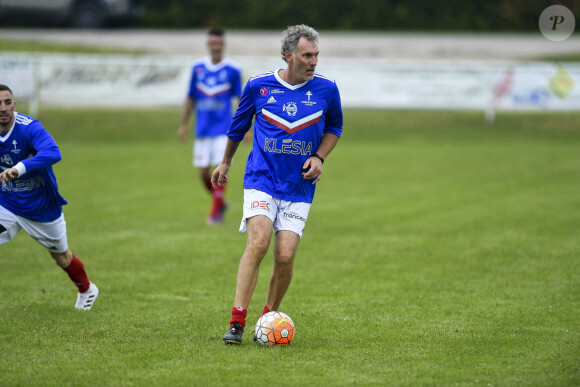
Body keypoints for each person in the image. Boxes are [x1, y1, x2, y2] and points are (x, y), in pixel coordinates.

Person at [211, 25, 343, 344]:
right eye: (306, 55)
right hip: (262, 179)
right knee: (258, 243)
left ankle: (266, 319)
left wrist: (320, 158)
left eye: (316, 55)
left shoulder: (327, 89)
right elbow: (237, 126)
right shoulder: (259, 86)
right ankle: (237, 322)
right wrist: (226, 161)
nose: (313, 62)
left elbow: (335, 126)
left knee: (285, 256)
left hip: (299, 186)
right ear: (289, 56)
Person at [0, 84, 99, 310]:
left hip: (41, 208)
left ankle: (87, 289)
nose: (3, 108)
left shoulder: (29, 127)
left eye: (7, 102)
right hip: (7, 203)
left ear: (14, 105)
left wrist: (19, 168)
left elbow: (53, 152)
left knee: (62, 258)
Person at [178, 27, 243, 225]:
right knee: (203, 173)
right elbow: (191, 97)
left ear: (223, 45)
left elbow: (240, 100)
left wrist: (244, 127)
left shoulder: (233, 69)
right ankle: (220, 202)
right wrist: (183, 124)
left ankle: (215, 213)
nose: (216, 47)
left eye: (219, 43)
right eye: (213, 43)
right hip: (203, 128)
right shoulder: (198, 68)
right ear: (208, 45)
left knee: (221, 170)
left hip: (224, 128)